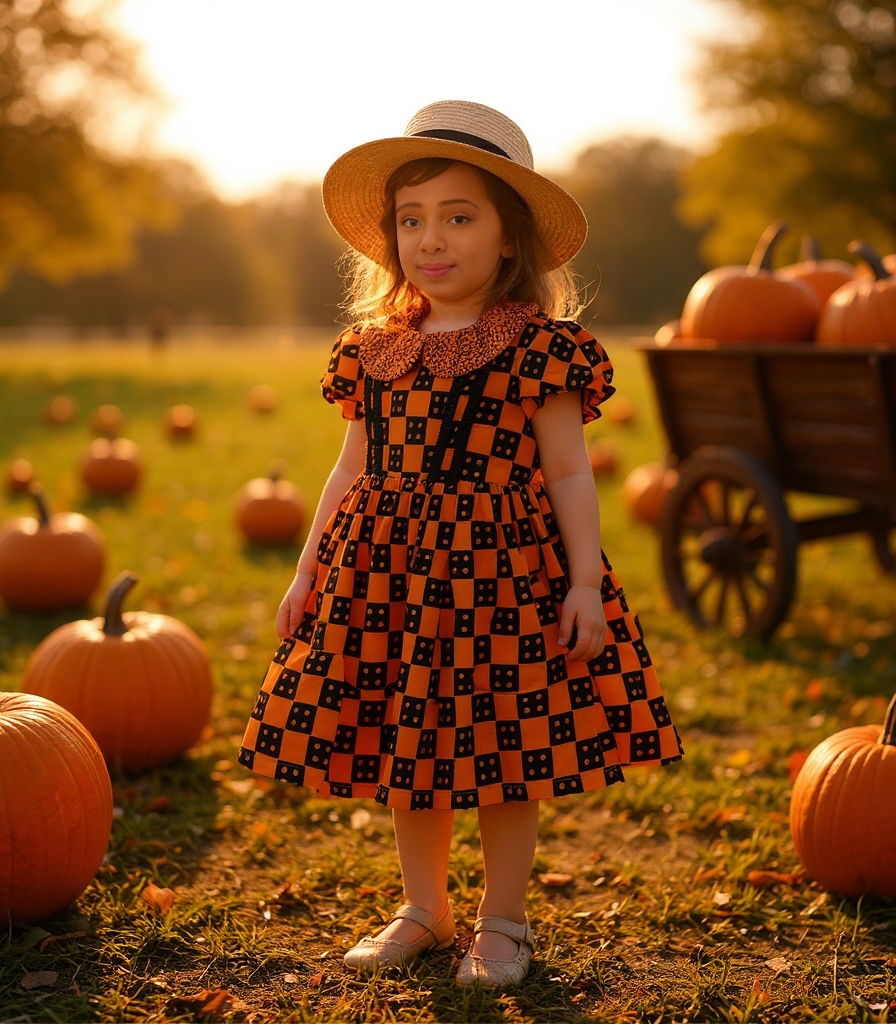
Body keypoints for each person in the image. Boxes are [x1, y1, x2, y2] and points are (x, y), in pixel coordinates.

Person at [238, 99, 683, 989]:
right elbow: (349, 468)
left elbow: (571, 475)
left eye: (458, 217)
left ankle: (503, 920)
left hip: (502, 576)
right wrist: (307, 567)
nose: (430, 239)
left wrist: (584, 584)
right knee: (409, 745)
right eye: (411, 220)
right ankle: (424, 907)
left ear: (509, 237)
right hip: (387, 575)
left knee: (503, 750)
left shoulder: (540, 350)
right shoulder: (376, 350)